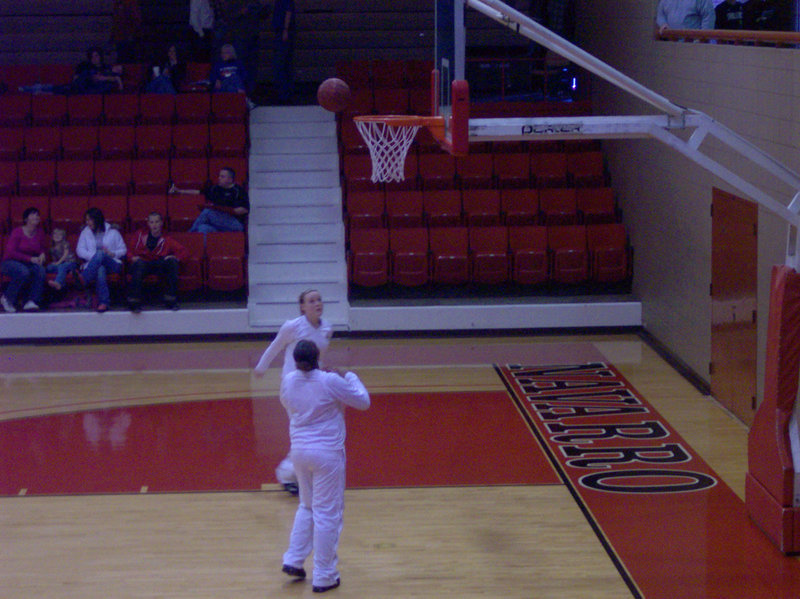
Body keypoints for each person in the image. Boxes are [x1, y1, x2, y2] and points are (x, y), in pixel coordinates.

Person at [279, 339, 370, 593]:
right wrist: (349, 375)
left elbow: (288, 404)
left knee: (306, 506)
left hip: (299, 452)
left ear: (296, 361)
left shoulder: (288, 381)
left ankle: (293, 559)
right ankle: (324, 575)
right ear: (317, 357)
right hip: (327, 454)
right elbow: (363, 401)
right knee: (327, 514)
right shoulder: (329, 381)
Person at [254, 289, 333, 495]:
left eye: (319, 299)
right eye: (311, 300)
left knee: (311, 433)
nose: (317, 303)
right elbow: (275, 346)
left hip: (313, 388)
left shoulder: (327, 329)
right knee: (303, 432)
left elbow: (320, 357)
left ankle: (297, 474)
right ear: (302, 306)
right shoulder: (293, 327)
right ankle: (287, 474)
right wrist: (261, 367)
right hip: (292, 387)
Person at [126, 212, 188, 312]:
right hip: (142, 263)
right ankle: (134, 302)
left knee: (172, 262)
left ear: (161, 223)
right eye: (151, 222)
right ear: (148, 223)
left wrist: (175, 257)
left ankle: (170, 299)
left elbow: (183, 252)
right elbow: (129, 250)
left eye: (156, 222)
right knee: (139, 264)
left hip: (158, 264)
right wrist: (132, 257)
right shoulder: (139, 234)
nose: (154, 225)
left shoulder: (167, 239)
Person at [76, 207, 127, 313]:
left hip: (113, 263)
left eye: (89, 220)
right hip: (95, 265)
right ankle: (104, 302)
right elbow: (79, 250)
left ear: (97, 219)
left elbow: (123, 250)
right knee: (100, 268)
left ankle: (85, 278)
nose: (87, 222)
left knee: (101, 255)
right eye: (86, 220)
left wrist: (113, 254)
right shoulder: (85, 232)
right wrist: (96, 257)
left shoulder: (113, 232)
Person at [170, 166, 249, 233]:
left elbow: (244, 210)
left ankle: (189, 234)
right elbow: (198, 192)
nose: (219, 178)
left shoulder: (239, 191)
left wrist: (228, 210)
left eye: (222, 176)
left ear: (230, 179)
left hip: (235, 223)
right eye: (219, 176)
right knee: (202, 228)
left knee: (207, 212)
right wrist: (179, 191)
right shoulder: (215, 188)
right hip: (218, 222)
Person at [0, 207, 48, 312]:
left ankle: (31, 301)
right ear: (26, 219)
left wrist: (42, 254)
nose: (36, 216)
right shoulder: (17, 232)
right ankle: (7, 298)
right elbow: (10, 252)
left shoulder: (40, 232)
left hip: (28, 262)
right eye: (33, 214)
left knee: (40, 270)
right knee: (23, 271)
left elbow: (42, 248)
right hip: (10, 262)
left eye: (37, 214)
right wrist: (30, 259)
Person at [271, 0, 295, 103]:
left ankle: (283, 94)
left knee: (280, 63)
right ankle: (285, 92)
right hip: (282, 31)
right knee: (284, 63)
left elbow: (288, 11)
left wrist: (285, 29)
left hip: (283, 32)